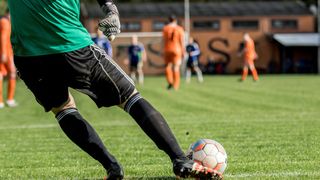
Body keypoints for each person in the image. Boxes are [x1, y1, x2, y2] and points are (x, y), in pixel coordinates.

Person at [8, 1, 221, 179]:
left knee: (63, 109)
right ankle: (180, 160)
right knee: (130, 96)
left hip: (28, 55)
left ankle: (112, 168)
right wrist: (111, 9)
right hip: (69, 43)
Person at [0, 8, 17, 108]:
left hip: (8, 52)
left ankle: (9, 99)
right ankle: (3, 101)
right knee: (2, 75)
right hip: (4, 53)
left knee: (11, 73)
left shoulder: (7, 22)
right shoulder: (4, 22)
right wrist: (3, 54)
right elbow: (3, 38)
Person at [162, 14, 185, 90]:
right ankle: (176, 85)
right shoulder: (179, 28)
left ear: (169, 20)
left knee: (167, 66)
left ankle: (170, 82)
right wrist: (183, 51)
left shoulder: (165, 28)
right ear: (175, 20)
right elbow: (181, 41)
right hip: (177, 49)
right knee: (176, 67)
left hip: (167, 49)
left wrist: (162, 49)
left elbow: (163, 40)